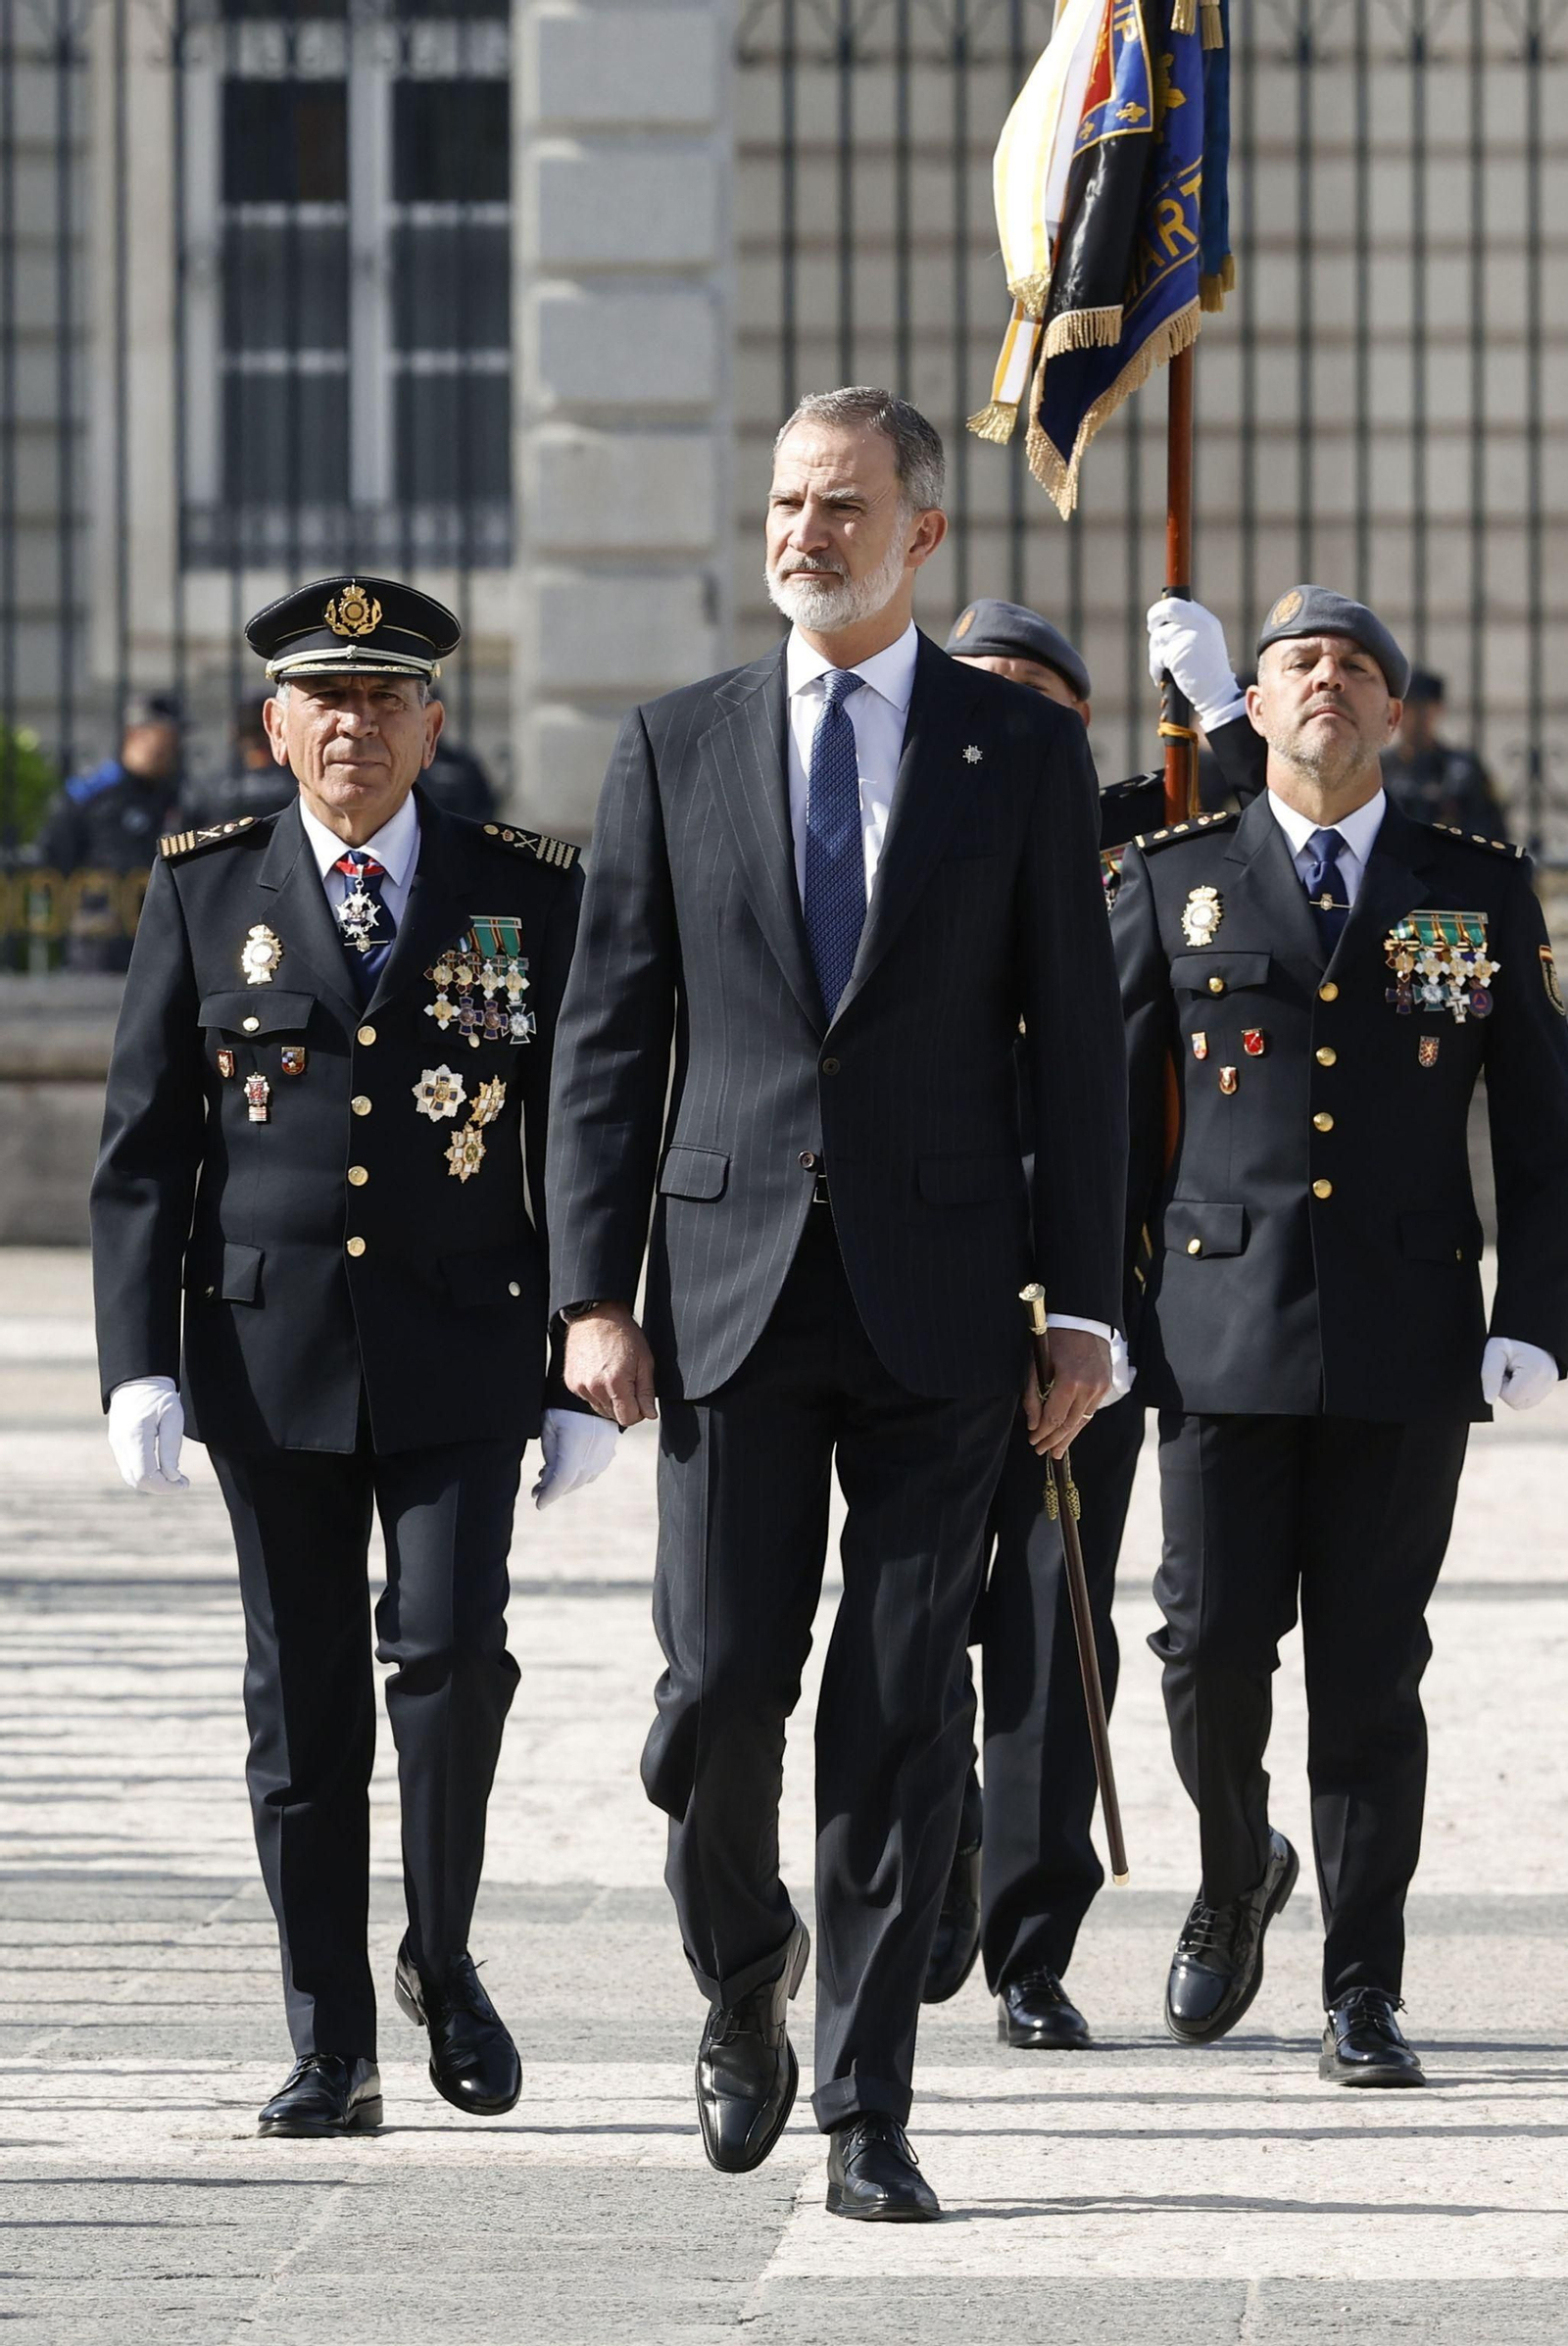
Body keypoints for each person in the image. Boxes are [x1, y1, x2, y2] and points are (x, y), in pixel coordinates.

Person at [545, 389, 1127, 2220]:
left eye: (845, 503)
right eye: (788, 499)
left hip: (945, 1299)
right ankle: (742, 1976)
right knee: (721, 1683)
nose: (806, 529)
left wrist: (1087, 1310)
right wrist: (587, 1290)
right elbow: (609, 1035)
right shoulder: (677, 742)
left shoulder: (1010, 756)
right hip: (719, 1291)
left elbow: (1079, 1058)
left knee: (895, 1709)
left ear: (923, 536)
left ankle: (871, 2106)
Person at [91, 574, 614, 2138]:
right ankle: (333, 2041)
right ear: (274, 726)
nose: (356, 724)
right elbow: (142, 1153)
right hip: (268, 1355)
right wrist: (138, 1361)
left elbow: (579, 1133)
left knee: (452, 1661)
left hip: (461, 1351)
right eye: (326, 698)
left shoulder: (525, 888)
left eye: (389, 698)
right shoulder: (203, 890)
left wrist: (585, 1323)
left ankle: (439, 1957)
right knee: (304, 1703)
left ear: (435, 725)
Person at [1113, 583, 1568, 2086]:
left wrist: (1538, 1315)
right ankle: (1239, 1866)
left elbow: (1547, 1126)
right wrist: (1087, 1307)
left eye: (1355, 667)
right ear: (1253, 709)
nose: (1328, 681)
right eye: (1297, 661)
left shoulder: (1474, 885)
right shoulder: (1179, 872)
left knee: (1371, 1673)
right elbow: (1109, 1111)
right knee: (1203, 1649)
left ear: (1394, 713)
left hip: (1403, 1332)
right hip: (1215, 1326)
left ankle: (1362, 1985)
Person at [923, 597, 1266, 2049]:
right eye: (977, 688)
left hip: (1088, 1301)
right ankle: (941, 1849)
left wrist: (1227, 707)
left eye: (1037, 697)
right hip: (919, 1288)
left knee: (1056, 1621)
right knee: (917, 1609)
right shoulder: (891, 827)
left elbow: (1275, 848)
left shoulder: (1139, 839)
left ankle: (1029, 1943)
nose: (1002, 715)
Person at [37, 693, 183, 970]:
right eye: (164, 737)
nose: (173, 748)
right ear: (135, 734)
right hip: (101, 943)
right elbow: (54, 858)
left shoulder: (173, 793)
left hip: (160, 938)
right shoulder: (90, 794)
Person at [1383, 667, 1508, 839]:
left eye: (1423, 708)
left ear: (1438, 709)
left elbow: (1490, 830)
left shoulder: (1463, 770)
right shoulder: (1380, 769)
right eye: (1409, 708)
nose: (1416, 718)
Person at [179, 701, 294, 832]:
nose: (254, 742)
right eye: (248, 734)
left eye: (259, 733)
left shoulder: (295, 778)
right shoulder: (212, 785)